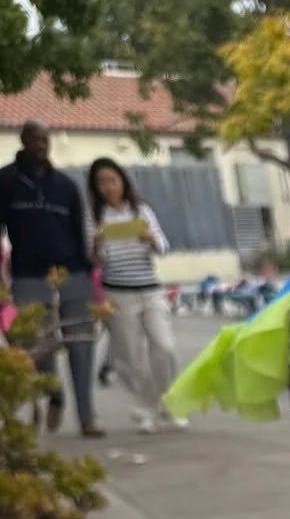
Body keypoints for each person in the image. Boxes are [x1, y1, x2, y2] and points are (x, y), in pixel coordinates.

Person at [0, 120, 102, 434]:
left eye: (45, 139)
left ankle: (87, 419)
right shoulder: (5, 181)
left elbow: (82, 230)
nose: (41, 145)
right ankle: (54, 394)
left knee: (81, 346)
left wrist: (91, 265)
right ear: (23, 141)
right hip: (29, 275)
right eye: (35, 139)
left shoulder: (66, 185)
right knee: (39, 346)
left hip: (73, 274)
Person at [87, 158, 185, 432]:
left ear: (122, 181)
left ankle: (165, 402)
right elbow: (93, 261)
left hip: (150, 289)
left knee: (164, 347)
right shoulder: (95, 216)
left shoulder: (140, 210)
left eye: (112, 180)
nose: (108, 187)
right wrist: (96, 246)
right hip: (117, 292)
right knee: (130, 356)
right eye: (101, 183)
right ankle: (146, 408)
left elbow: (163, 246)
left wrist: (151, 240)